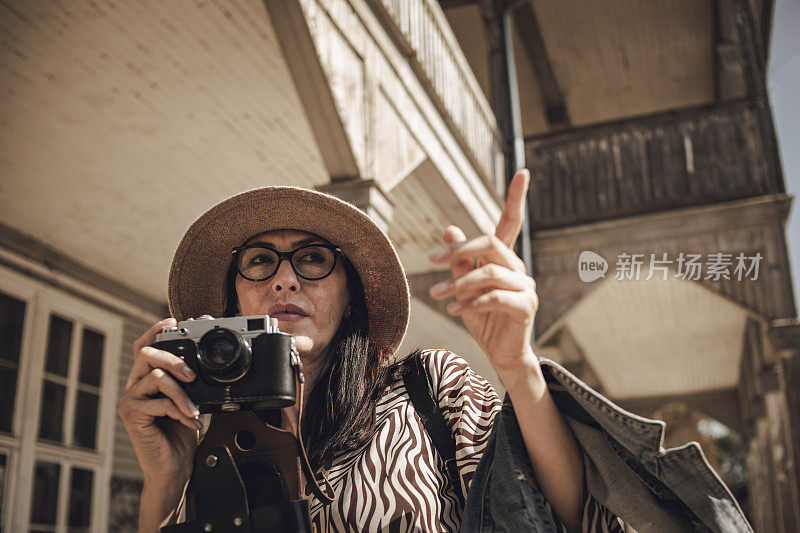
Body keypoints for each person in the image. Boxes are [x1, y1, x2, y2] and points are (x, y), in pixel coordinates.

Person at [115, 170, 628, 531]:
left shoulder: (428, 389)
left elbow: (568, 516)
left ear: (350, 293)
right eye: (260, 261)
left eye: (313, 260)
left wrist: (518, 368)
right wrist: (166, 479)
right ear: (235, 296)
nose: (286, 280)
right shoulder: (208, 435)